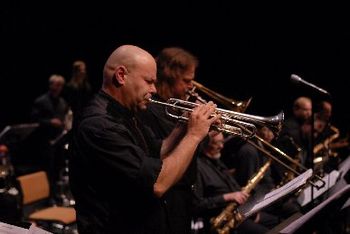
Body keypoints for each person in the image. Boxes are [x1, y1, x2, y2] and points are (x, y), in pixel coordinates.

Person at [68, 44, 219, 234]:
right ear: (121, 75)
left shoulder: (126, 113)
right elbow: (158, 183)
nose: (154, 89)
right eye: (149, 81)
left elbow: (158, 153)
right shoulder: (100, 126)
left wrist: (184, 127)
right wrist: (195, 134)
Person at [138, 47, 199, 233]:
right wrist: (192, 129)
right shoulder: (150, 109)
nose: (191, 86)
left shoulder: (178, 106)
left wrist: (207, 130)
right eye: (187, 80)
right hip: (167, 198)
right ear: (170, 77)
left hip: (185, 191)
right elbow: (158, 155)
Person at [193, 131, 279, 234]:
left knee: (278, 222)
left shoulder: (217, 161)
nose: (221, 146)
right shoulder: (198, 168)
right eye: (217, 143)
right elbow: (197, 204)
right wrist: (227, 197)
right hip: (222, 220)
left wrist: (250, 211)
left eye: (222, 142)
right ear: (205, 144)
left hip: (240, 213)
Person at [233, 126, 301, 220]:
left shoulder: (264, 147)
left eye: (272, 131)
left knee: (296, 203)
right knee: (293, 209)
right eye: (266, 129)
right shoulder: (249, 151)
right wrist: (270, 193)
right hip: (258, 201)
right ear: (257, 130)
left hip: (268, 195)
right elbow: (247, 185)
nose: (270, 135)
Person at [30, 74, 69, 188]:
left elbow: (65, 117)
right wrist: (50, 122)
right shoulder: (41, 101)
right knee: (48, 170)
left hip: (59, 141)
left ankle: (57, 194)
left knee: (59, 168)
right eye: (56, 85)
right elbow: (33, 120)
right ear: (50, 85)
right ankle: (48, 196)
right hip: (45, 141)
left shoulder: (63, 102)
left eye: (61, 85)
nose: (58, 88)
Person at [274, 96, 313, 184]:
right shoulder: (289, 126)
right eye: (306, 110)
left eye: (310, 110)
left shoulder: (303, 126)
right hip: (282, 171)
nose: (309, 113)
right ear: (296, 109)